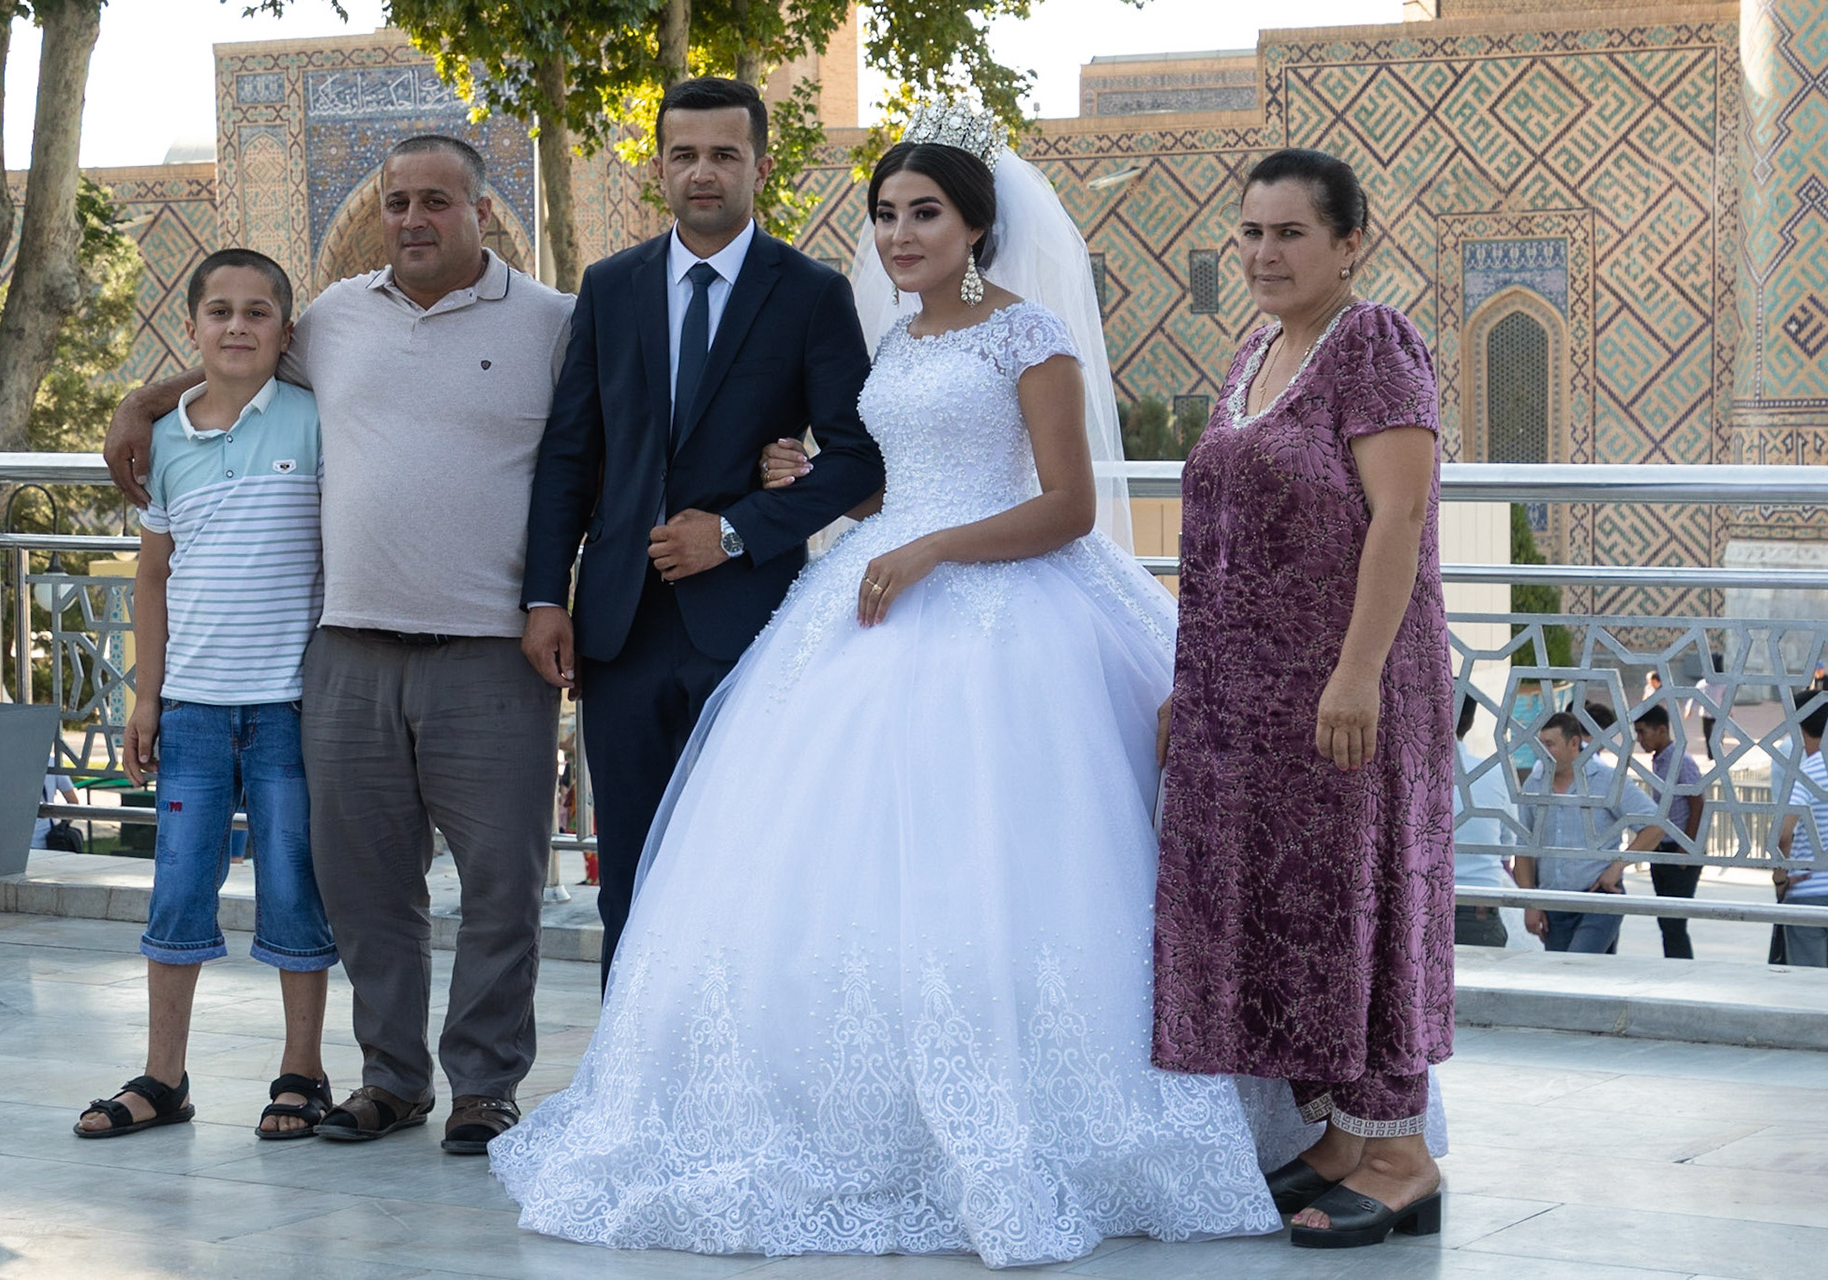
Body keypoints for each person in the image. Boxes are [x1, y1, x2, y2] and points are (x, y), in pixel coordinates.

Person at [489, 98, 1283, 1266]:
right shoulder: (901, 339)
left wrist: (923, 545)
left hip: (998, 616)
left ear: (977, 226)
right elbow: (889, 464)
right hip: (869, 590)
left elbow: (1065, 505)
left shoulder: (1032, 336)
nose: (902, 235)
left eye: (926, 215)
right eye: (888, 215)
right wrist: (825, 483)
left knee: (1002, 865)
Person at [105, 136, 576, 1156]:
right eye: (398, 200)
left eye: (437, 202)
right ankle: (393, 1078)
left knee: (501, 880)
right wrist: (146, 400)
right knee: (366, 885)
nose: (413, 217)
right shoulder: (335, 317)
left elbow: (603, 449)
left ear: (482, 214)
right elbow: (241, 354)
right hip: (349, 650)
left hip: (491, 651)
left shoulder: (551, 323)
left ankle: (486, 1085)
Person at [519, 77, 884, 988]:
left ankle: (733, 1078)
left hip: (752, 625)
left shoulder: (810, 294)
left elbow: (858, 461)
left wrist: (735, 531)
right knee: (630, 870)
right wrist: (541, 596)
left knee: (743, 859)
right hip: (618, 627)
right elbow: (571, 455)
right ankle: (625, 1086)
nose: (703, 172)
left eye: (725, 154)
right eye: (684, 154)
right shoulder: (608, 288)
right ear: (660, 167)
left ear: (761, 165)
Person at [1151, 147, 1451, 1249]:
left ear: (1348, 242)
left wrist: (1359, 668)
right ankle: (1336, 1133)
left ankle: (1403, 1153)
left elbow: (1400, 519)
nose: (1266, 253)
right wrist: (1199, 685)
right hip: (1252, 704)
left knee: (1364, 903)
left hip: (1349, 686)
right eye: (1252, 232)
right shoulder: (1255, 354)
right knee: (1294, 910)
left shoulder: (1373, 344)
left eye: (1290, 233)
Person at [76, 249, 337, 1140]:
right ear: (190, 329)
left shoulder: (312, 421)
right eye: (218, 311)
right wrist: (146, 698)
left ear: (285, 332)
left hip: (290, 709)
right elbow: (152, 579)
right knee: (178, 887)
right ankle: (164, 1077)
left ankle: (301, 1070)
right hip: (191, 710)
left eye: (258, 312)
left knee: (295, 891)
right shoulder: (167, 441)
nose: (237, 326)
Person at [1513, 711, 1665, 955]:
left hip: (1598, 897)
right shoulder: (1535, 783)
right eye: (1540, 745)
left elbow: (1655, 824)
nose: (1543, 752)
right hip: (1553, 903)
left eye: (1550, 744)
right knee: (1573, 981)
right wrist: (1530, 903)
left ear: (1574, 743)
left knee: (1575, 967)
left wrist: (1617, 867)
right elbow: (1524, 846)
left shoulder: (1605, 780)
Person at [1634, 703, 1706, 958]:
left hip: (1679, 851)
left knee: (1674, 921)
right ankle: (1673, 967)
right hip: (1662, 848)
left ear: (1662, 730)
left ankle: (1682, 970)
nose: (1639, 739)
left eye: (1643, 732)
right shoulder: (1659, 761)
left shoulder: (1680, 760)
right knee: (1665, 920)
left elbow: (1697, 802)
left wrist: (1686, 846)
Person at [1453, 695, 1513, 947]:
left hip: (1417, 904)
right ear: (1470, 720)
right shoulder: (1494, 772)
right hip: (1480, 905)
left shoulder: (1408, 772)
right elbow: (1507, 845)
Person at [1775, 702, 1828, 966]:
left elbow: (1783, 834)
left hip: (1809, 893)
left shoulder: (1808, 772)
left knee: (1811, 989)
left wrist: (1780, 879)